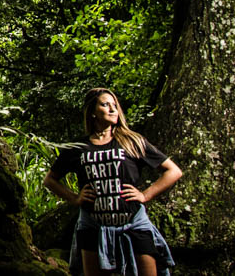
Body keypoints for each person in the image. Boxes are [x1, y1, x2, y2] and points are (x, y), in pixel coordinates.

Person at [42, 88, 183, 276]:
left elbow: (173, 171)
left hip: (134, 224)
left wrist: (145, 195)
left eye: (114, 105)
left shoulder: (132, 141)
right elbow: (50, 180)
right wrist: (75, 198)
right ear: (92, 112)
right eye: (105, 104)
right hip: (93, 227)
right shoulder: (78, 148)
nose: (112, 109)